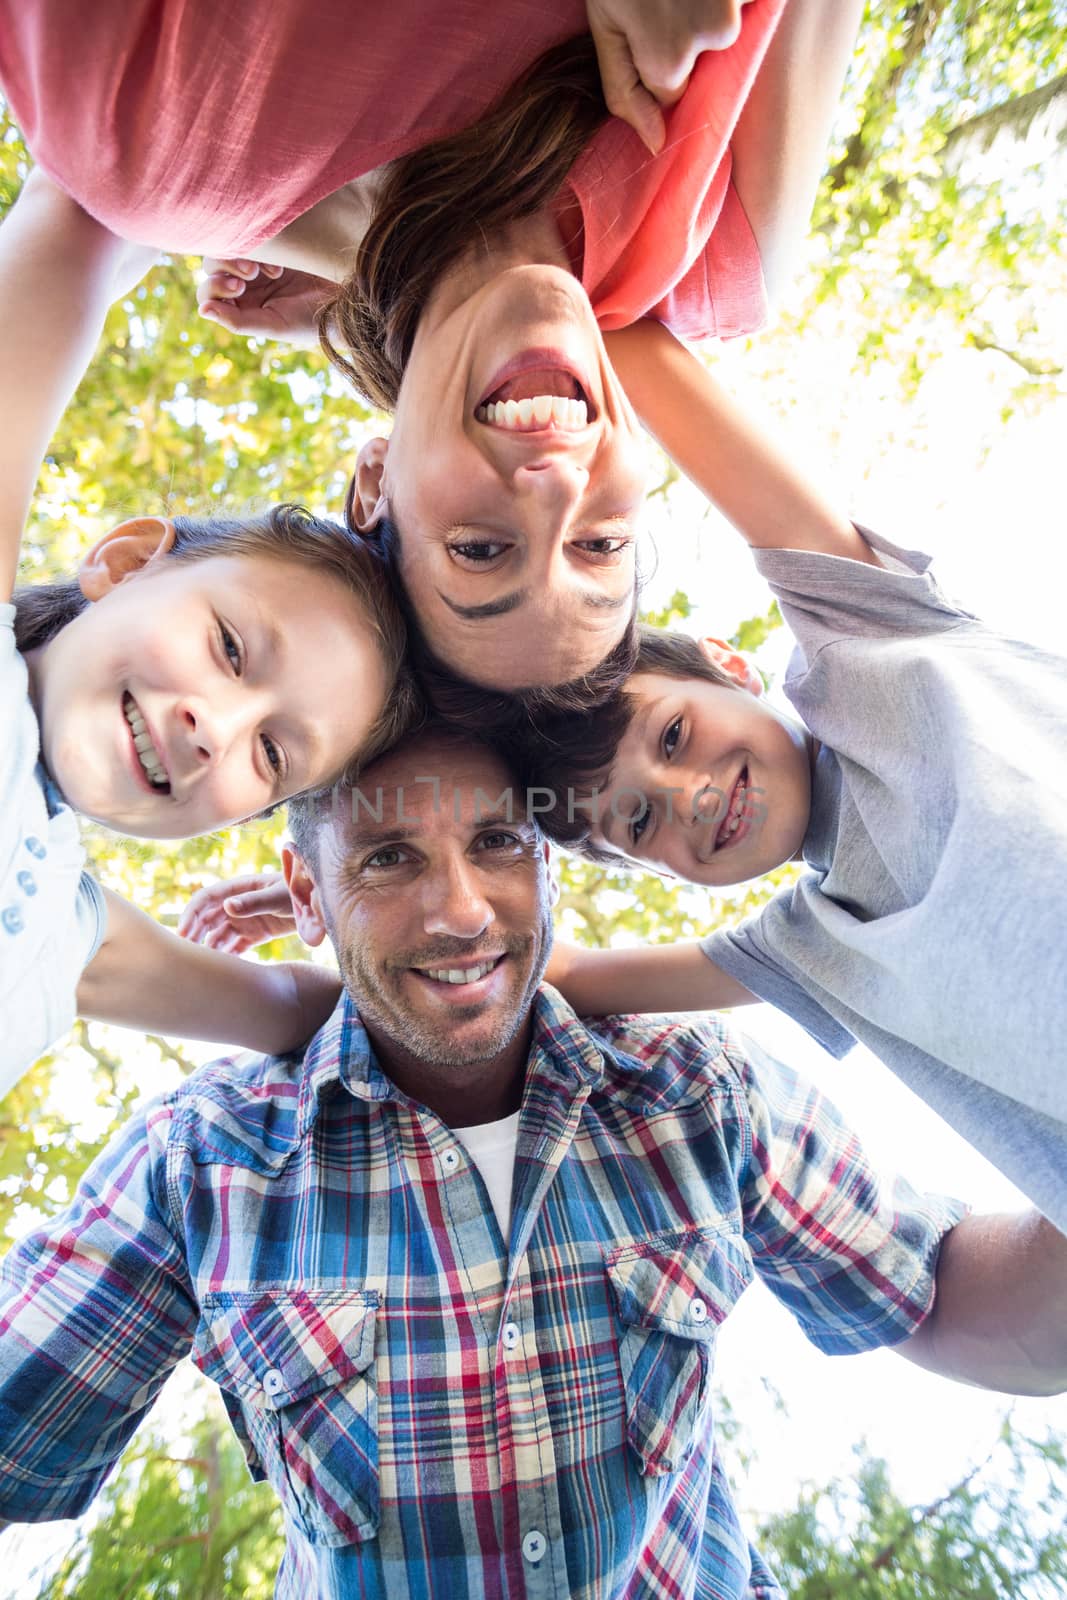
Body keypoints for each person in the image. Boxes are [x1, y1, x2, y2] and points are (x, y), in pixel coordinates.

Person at [2, 724, 1064, 1600]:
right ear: (306, 890)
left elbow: (937, 1298)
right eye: (386, 857)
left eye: (498, 842)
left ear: (547, 858)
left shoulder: (692, 1092)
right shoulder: (203, 1164)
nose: (461, 910)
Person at [0, 0, 866, 690]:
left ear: (375, 481)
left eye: (480, 550)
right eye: (600, 546)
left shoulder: (158, 144)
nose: (556, 486)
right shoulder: (725, 249)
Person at [499, 319, 1067, 1231]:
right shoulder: (814, 947)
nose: (686, 796)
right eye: (638, 824)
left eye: (674, 733)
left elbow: (650, 365)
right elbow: (543, 973)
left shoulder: (874, 645)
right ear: (657, 874)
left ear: (729, 663)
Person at [0, 167, 417, 1094]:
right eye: (229, 649)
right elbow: (76, 213)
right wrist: (325, 260)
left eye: (272, 757)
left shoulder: (68, 939)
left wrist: (343, 888)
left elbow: (347, 1012)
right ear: (123, 561)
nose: (216, 729)